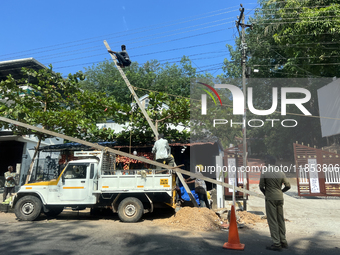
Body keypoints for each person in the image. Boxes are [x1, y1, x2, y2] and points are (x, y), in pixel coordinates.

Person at [259, 160, 291, 251]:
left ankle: (276, 243)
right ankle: (283, 241)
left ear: (267, 163)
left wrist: (266, 193)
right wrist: (281, 191)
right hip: (280, 198)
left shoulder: (265, 171)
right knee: (280, 219)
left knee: (272, 220)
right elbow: (288, 185)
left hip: (270, 198)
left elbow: (261, 186)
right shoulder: (280, 171)